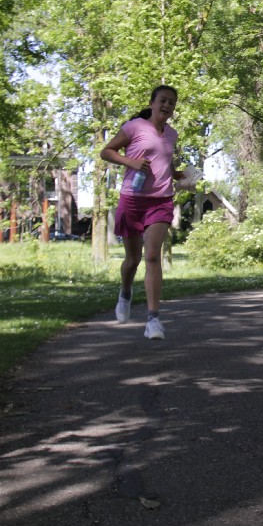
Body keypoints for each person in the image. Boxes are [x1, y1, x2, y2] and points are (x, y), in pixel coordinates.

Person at [99, 85, 183, 340]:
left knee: (153, 256)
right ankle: (125, 292)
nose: (167, 106)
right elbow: (106, 151)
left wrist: (177, 174)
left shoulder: (172, 134)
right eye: (163, 101)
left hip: (161, 201)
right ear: (152, 103)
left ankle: (153, 320)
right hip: (133, 200)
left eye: (171, 102)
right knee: (132, 260)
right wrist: (132, 162)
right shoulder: (134, 127)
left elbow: (166, 162)